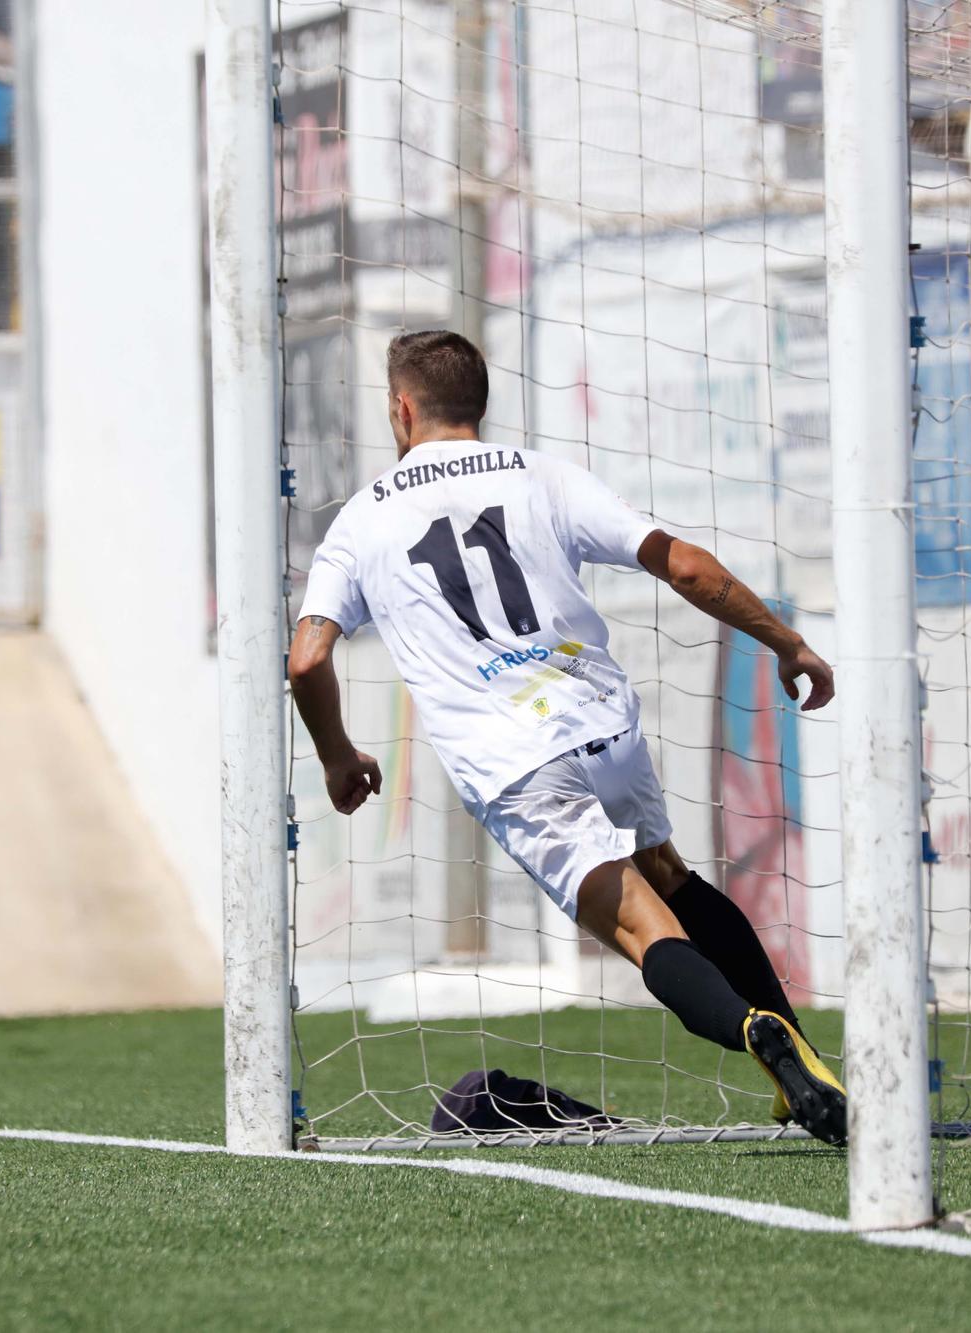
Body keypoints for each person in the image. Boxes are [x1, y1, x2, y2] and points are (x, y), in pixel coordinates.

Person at [287, 329, 847, 1145]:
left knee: (643, 928)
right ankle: (807, 1060)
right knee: (671, 874)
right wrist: (785, 641)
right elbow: (684, 564)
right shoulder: (542, 475)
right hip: (602, 722)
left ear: (401, 409)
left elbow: (307, 661)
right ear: (479, 402)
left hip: (516, 759)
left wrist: (338, 755)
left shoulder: (361, 520)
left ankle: (753, 1032)